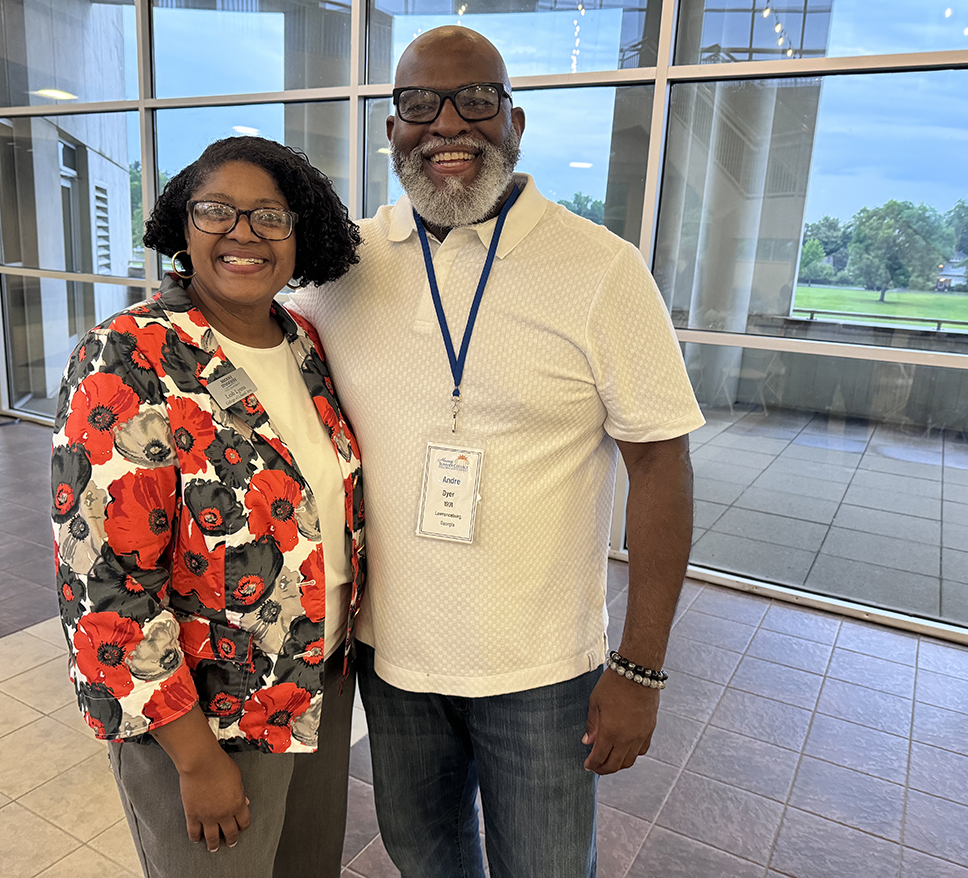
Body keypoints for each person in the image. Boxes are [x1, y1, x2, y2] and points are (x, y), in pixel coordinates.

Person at [290, 26, 703, 878]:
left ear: (515, 121)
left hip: (541, 669)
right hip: (393, 659)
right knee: (425, 857)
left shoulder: (601, 269)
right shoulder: (344, 266)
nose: (448, 124)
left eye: (476, 99)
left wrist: (641, 668)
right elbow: (244, 325)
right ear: (392, 129)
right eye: (419, 104)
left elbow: (660, 466)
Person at [50, 136, 365, 878]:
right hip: (204, 718)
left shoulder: (303, 345)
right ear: (181, 226)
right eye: (216, 210)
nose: (243, 234)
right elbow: (102, 582)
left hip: (314, 685)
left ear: (301, 233)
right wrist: (195, 759)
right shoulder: (128, 354)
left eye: (270, 216)